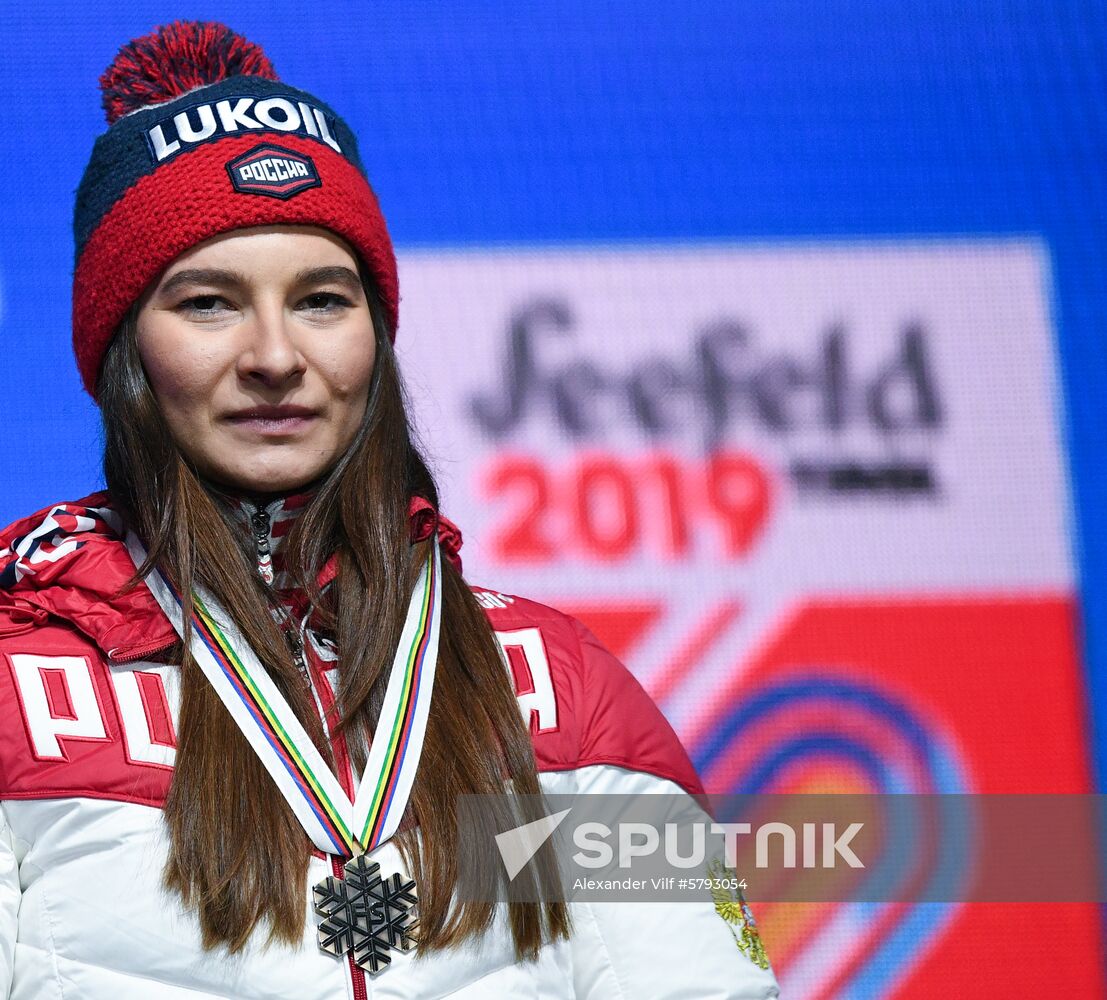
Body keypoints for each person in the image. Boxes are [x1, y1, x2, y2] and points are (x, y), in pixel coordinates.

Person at [0, 21, 779, 1000]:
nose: (276, 354)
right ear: (124, 349)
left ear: (376, 332)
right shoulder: (16, 681)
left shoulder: (559, 688)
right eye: (208, 303)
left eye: (323, 299)